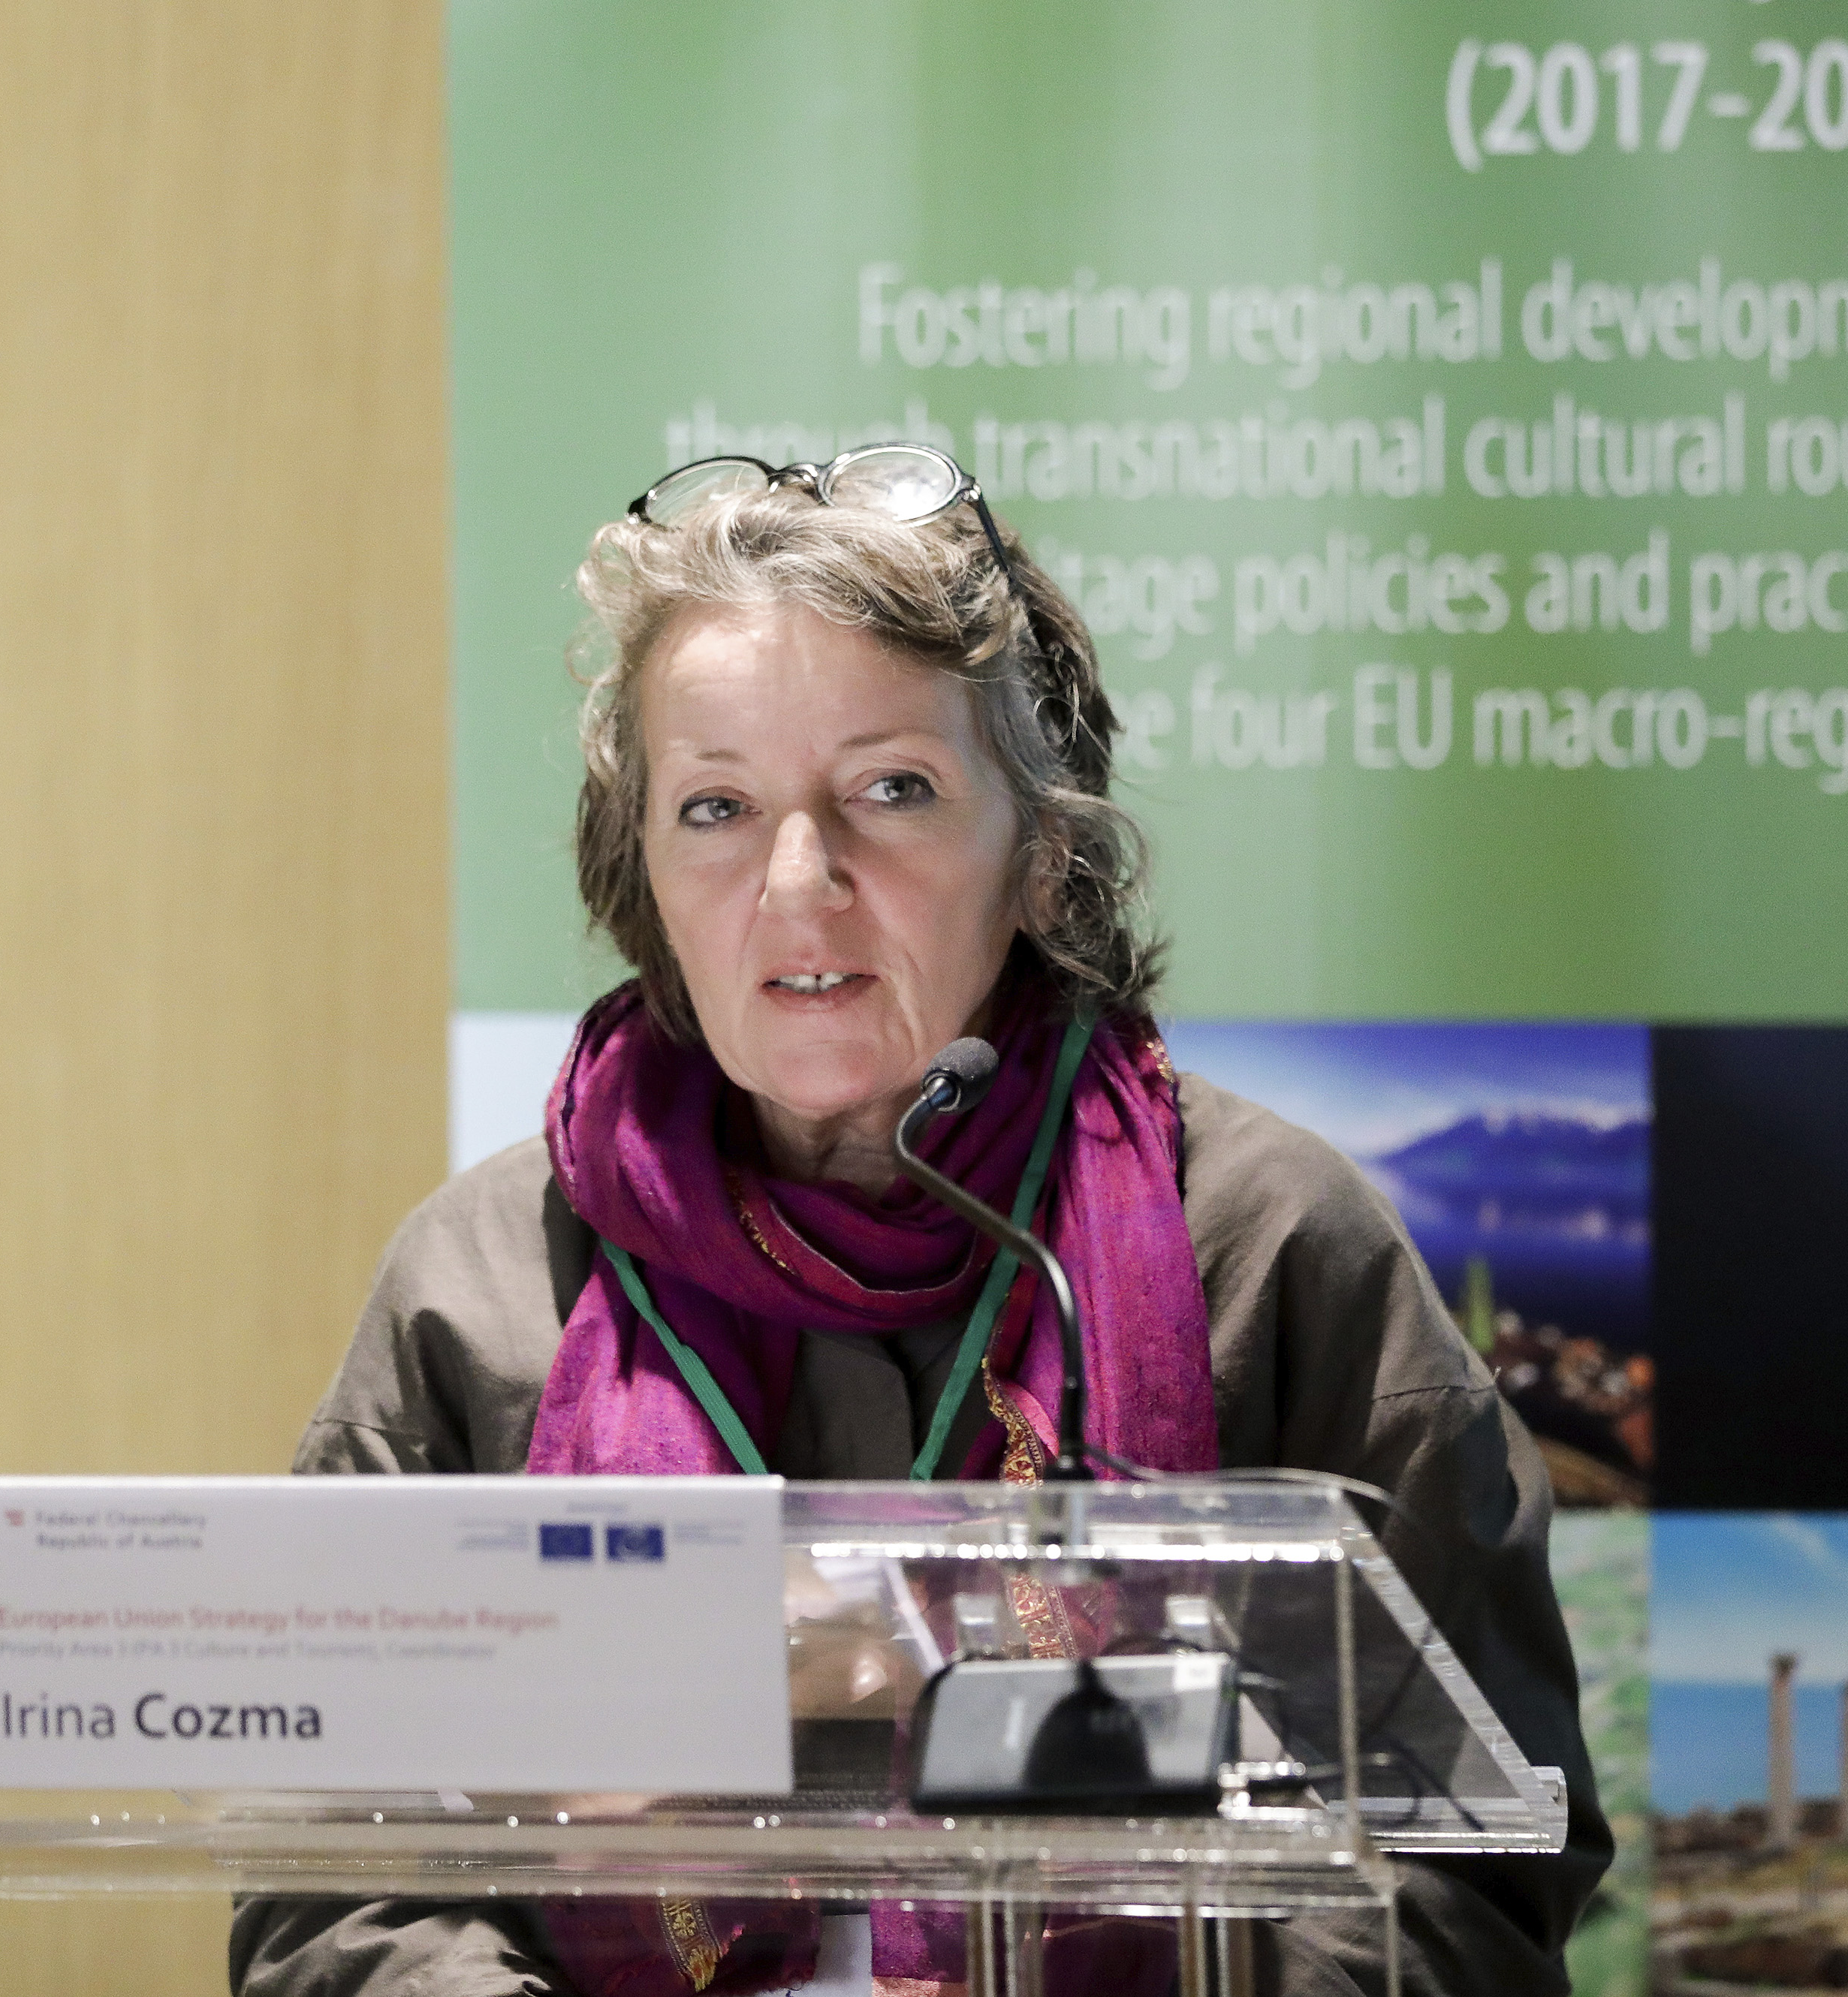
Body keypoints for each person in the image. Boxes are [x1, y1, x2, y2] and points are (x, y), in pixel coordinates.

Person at [231, 444, 1611, 1997]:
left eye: (892, 790)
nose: (799, 880)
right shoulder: (478, 1286)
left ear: (1040, 852)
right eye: (715, 807)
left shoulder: (1273, 1246)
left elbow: (1476, 1871)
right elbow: (329, 1884)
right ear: (642, 872)